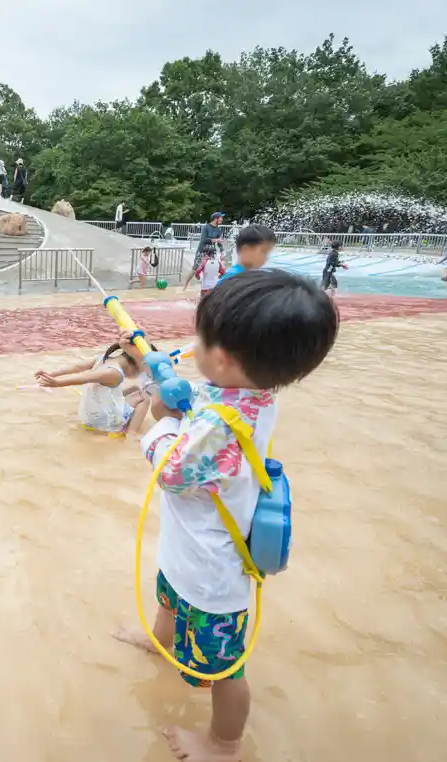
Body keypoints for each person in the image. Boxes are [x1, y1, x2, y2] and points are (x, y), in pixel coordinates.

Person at [114, 269, 339, 762]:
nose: (191, 345)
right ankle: (160, 642)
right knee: (169, 597)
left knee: (225, 670)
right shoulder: (251, 394)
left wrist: (158, 423)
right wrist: (174, 384)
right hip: (190, 550)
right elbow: (207, 402)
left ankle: (225, 742)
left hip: (213, 572)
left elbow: (173, 471)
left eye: (199, 337)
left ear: (225, 357)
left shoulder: (220, 425)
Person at [34, 342, 153, 437]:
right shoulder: (114, 373)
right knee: (145, 398)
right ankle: (132, 433)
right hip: (105, 423)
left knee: (135, 389)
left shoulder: (103, 359)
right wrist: (57, 383)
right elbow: (85, 377)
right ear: (137, 363)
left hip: (88, 417)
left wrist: (52, 374)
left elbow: (77, 367)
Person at [184, 212, 225, 288]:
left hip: (212, 252)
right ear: (215, 219)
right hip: (202, 251)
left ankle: (212, 286)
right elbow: (203, 240)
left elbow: (219, 243)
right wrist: (216, 240)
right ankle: (185, 284)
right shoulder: (206, 227)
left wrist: (222, 251)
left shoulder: (218, 229)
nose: (222, 219)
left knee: (216, 268)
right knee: (195, 268)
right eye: (220, 218)